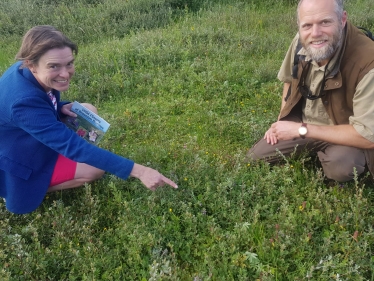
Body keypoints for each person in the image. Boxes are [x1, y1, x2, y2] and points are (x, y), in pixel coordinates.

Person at [0, 25, 178, 214]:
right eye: (54, 66)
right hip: (22, 155)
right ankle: (32, 188)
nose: (65, 73)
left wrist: (60, 107)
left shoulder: (25, 69)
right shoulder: (23, 102)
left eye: (69, 63)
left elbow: (37, 107)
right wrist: (140, 171)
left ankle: (67, 163)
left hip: (30, 135)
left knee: (86, 110)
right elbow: (73, 146)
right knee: (94, 170)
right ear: (31, 64)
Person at [247, 0, 374, 182]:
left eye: (325, 22)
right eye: (307, 25)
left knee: (341, 166)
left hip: (346, 133)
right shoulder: (301, 41)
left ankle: (351, 162)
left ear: (342, 19)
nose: (315, 33)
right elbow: (289, 82)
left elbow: (368, 136)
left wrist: (302, 130)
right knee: (254, 158)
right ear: (299, 25)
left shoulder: (368, 64)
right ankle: (318, 151)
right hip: (304, 126)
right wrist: (282, 122)